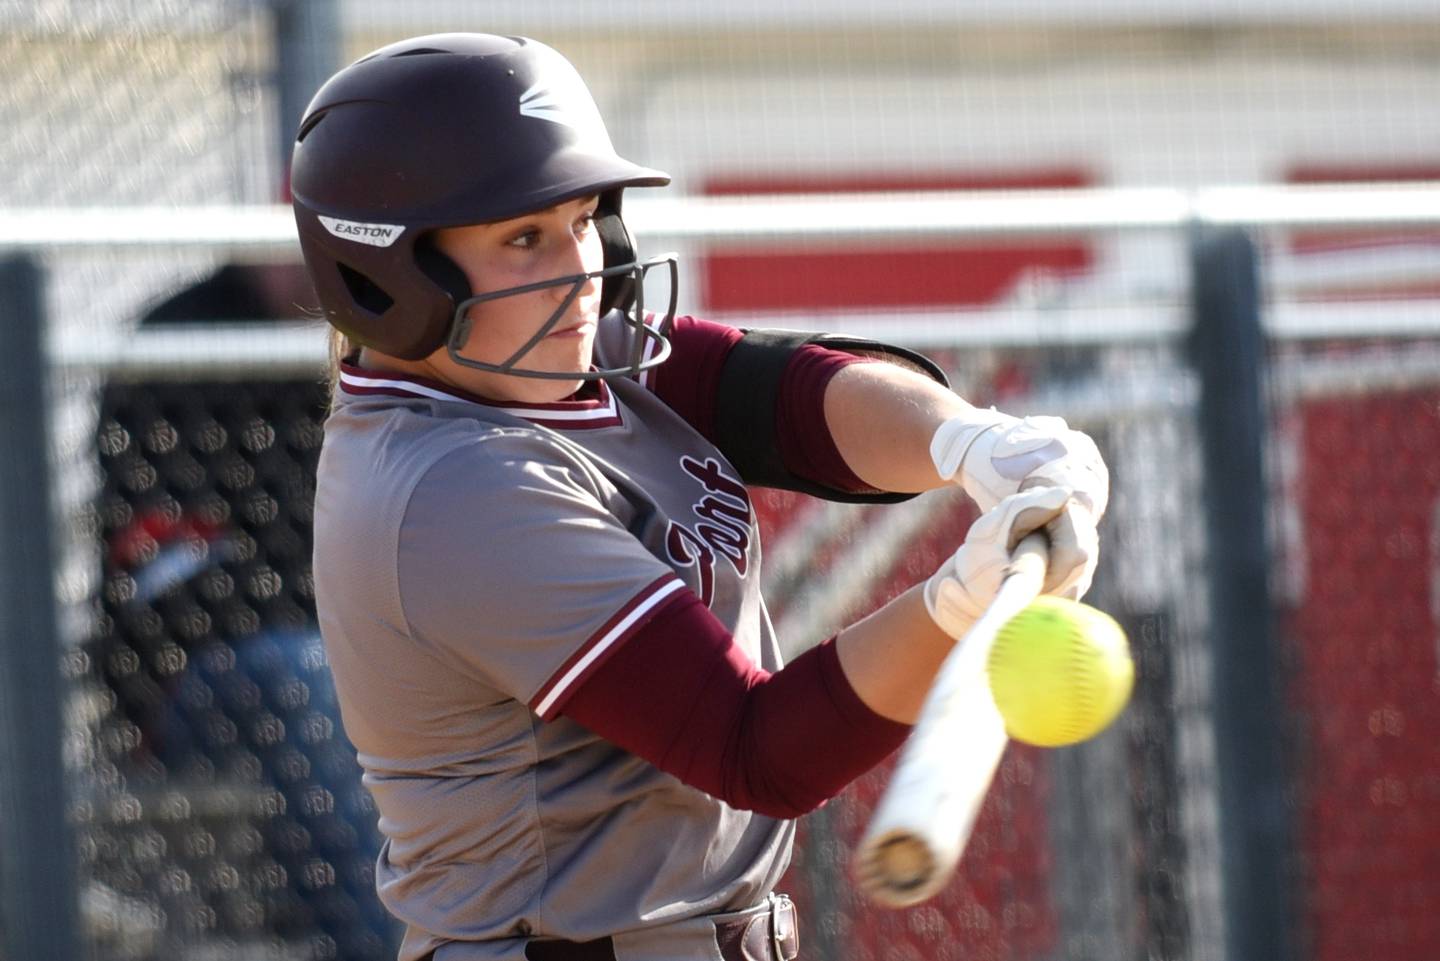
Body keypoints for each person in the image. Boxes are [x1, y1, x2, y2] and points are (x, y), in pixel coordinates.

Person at [292, 33, 1108, 961]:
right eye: (523, 237)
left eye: (586, 217)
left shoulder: (556, 358)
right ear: (391, 278)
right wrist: (958, 604)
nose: (584, 267)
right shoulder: (456, 486)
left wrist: (970, 441)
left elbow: (785, 399)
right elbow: (756, 749)